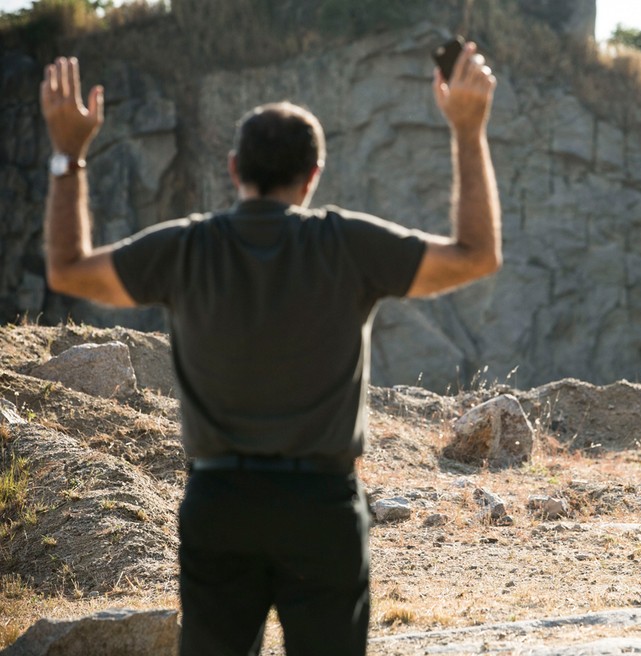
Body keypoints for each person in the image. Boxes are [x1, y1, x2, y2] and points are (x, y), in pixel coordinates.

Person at [40, 45, 499, 656]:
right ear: (313, 176)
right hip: (322, 506)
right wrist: (468, 130)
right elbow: (476, 254)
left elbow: (68, 269)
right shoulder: (347, 245)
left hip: (219, 504)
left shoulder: (187, 248)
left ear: (234, 169)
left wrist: (68, 154)